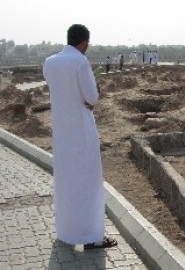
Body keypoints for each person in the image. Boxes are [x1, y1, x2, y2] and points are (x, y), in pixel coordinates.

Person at [42, 24, 117, 249]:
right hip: (82, 131)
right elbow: (91, 97)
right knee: (89, 183)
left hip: (62, 132)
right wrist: (91, 98)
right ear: (83, 42)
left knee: (66, 182)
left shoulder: (50, 62)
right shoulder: (80, 62)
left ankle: (67, 232)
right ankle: (92, 237)